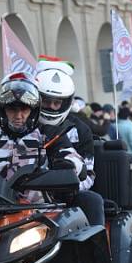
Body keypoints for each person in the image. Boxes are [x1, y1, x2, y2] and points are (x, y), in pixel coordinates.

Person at [0, 74, 86, 204]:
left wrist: (66, 166)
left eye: (24, 109)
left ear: (33, 110)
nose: (18, 116)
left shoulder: (50, 134)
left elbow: (74, 160)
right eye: (12, 109)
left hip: (41, 212)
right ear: (2, 110)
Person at [34, 60, 104, 226]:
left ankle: (96, 250)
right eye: (46, 101)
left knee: (92, 200)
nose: (51, 107)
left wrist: (66, 186)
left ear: (66, 102)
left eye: (57, 102)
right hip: (26, 194)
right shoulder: (26, 124)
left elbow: (88, 173)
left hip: (68, 193)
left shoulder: (81, 129)